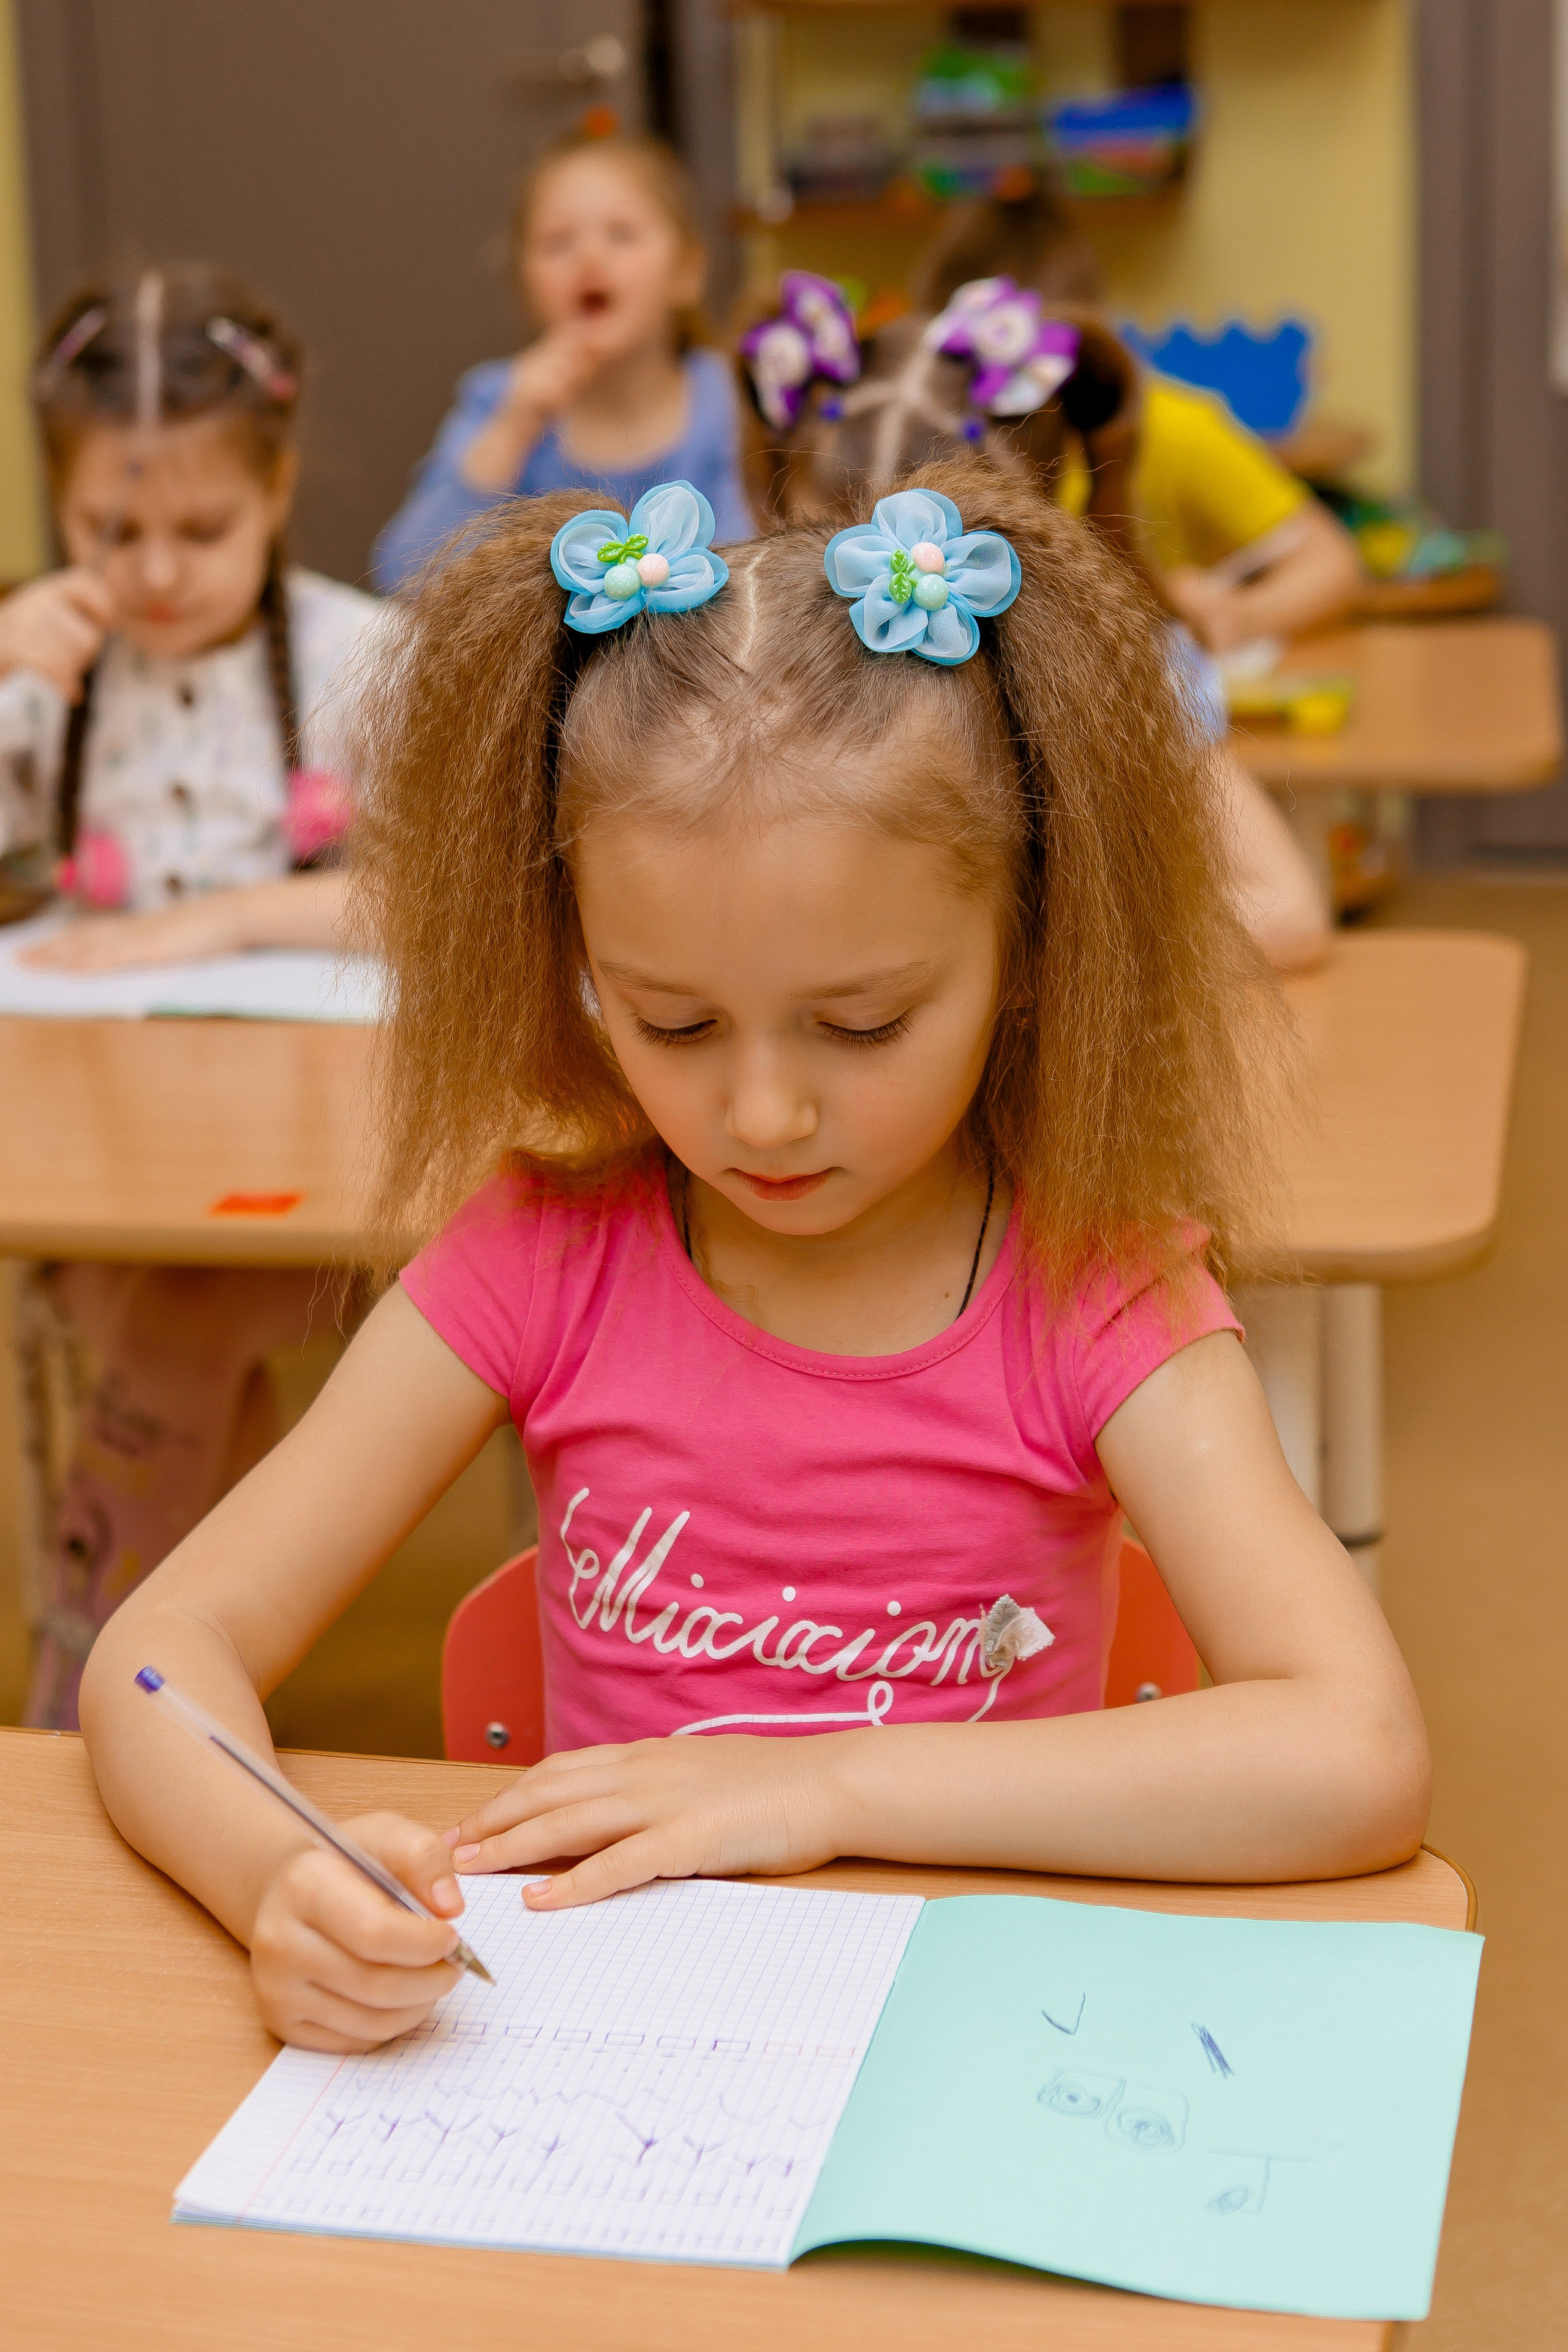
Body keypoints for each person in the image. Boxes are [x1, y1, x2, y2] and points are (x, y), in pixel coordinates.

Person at [81, 464, 1428, 2056]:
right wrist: (278, 1879)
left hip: (984, 2037)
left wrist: (820, 1782)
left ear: (1027, 954)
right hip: (614, 2056)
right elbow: (160, 1659)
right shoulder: (541, 1256)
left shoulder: (1095, 1283)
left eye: (860, 1025)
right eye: (671, 1022)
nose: (767, 1113)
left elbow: (1354, 1751)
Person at [8, 266, 379, 1728]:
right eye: (112, 530)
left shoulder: (359, 655)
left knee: (168, 1328)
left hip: (323, 1163)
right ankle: (184, 1678)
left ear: (279, 485)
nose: (156, 571)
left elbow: (445, 899)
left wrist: (207, 923)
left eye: (202, 530)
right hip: (106, 1149)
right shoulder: (49, 667)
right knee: (165, 1319)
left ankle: (84, 1681)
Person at [735, 273, 1329, 972]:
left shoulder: (1126, 677)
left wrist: (1026, 970)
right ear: (779, 521)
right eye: (835, 568)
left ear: (1021, 537)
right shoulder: (741, 663)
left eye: (930, 581)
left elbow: (1290, 914)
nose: (882, 615)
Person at [916, 194, 1365, 654]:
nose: (1007, 406)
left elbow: (1333, 564)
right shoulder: (926, 442)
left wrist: (1242, 615)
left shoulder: (1168, 427)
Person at [372, 132, 752, 592]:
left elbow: (753, 576)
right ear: (523, 284)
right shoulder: (499, 401)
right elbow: (406, 579)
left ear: (687, 271)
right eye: (557, 243)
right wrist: (514, 429)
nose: (589, 258)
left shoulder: (727, 401)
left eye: (622, 234)